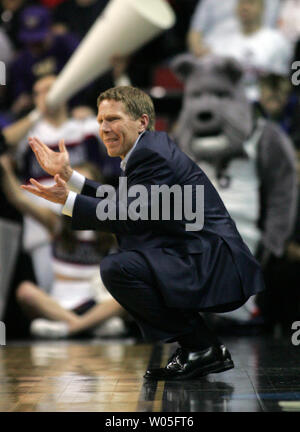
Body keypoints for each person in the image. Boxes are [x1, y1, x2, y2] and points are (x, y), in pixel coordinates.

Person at [22, 85, 265, 381]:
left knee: (117, 268)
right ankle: (200, 348)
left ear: (142, 122)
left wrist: (67, 201)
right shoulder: (148, 149)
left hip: (212, 263)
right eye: (100, 121)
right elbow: (128, 203)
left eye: (113, 119)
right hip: (200, 256)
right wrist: (71, 178)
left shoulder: (151, 155)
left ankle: (201, 346)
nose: (104, 128)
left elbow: (129, 215)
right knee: (125, 261)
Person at [0, 154, 126, 339]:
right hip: (58, 306)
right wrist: (5, 169)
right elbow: (19, 199)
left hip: (96, 302)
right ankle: (88, 326)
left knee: (129, 292)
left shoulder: (109, 229)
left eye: (83, 186)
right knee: (25, 290)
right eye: (73, 187)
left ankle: (68, 328)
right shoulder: (57, 223)